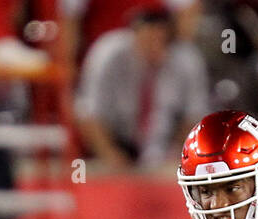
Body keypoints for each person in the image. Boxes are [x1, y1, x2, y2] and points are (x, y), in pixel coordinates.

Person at [74, 3, 208, 169]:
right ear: (133, 36)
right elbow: (89, 111)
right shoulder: (108, 55)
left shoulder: (186, 59)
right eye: (147, 39)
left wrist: (183, 155)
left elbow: (194, 114)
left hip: (165, 146)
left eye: (159, 39)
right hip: (117, 140)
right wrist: (109, 154)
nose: (153, 47)